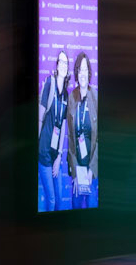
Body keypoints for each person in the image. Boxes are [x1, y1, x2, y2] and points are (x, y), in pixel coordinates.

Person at [38, 49, 72, 211]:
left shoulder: (65, 94)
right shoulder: (49, 84)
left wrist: (59, 156)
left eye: (66, 63)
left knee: (59, 199)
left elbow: (63, 125)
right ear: (57, 66)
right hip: (43, 151)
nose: (64, 65)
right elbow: (40, 116)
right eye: (61, 62)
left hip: (54, 155)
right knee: (51, 200)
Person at [69, 53, 99, 210]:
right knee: (76, 212)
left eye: (85, 69)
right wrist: (75, 172)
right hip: (77, 171)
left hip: (91, 172)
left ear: (89, 73)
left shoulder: (95, 97)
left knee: (93, 213)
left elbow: (100, 139)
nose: (82, 73)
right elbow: (71, 140)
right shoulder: (72, 98)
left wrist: (92, 170)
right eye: (80, 69)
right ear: (76, 72)